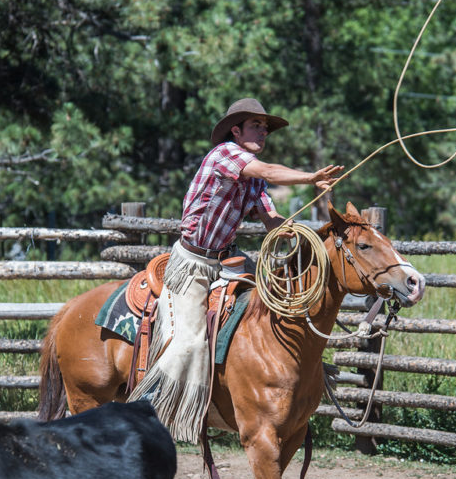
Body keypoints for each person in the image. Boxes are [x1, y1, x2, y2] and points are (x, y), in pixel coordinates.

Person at [129, 97, 343, 443]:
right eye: (256, 125)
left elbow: (271, 219)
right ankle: (153, 407)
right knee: (188, 341)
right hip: (192, 264)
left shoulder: (253, 177)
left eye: (265, 127)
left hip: (226, 259)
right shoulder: (225, 155)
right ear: (236, 130)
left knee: (272, 307)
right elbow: (270, 171)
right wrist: (311, 177)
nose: (263, 132)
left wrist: (294, 230)